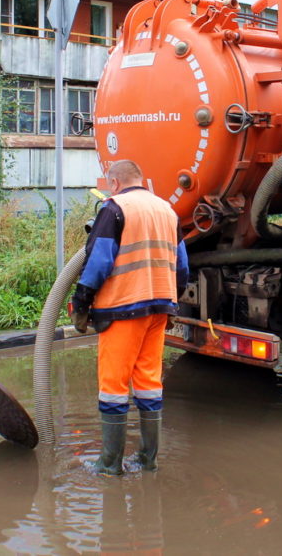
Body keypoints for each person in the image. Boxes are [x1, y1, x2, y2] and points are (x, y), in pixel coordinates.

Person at [70, 160, 189, 475]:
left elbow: (98, 261)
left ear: (115, 183)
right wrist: (172, 300)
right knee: (149, 383)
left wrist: (81, 302)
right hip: (160, 309)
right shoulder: (167, 210)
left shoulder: (114, 208)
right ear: (141, 179)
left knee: (113, 385)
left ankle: (110, 464)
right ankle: (147, 460)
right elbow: (182, 266)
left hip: (122, 308)